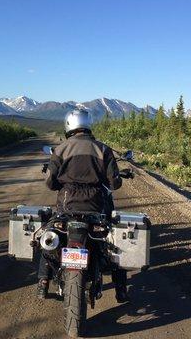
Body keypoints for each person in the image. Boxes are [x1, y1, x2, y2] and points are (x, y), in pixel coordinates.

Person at [38, 108, 131, 302]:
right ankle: (121, 289)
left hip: (67, 206)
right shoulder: (103, 149)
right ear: (87, 125)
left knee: (50, 235)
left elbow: (50, 183)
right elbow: (114, 183)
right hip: (97, 206)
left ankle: (43, 282)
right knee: (114, 242)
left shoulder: (60, 149)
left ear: (69, 125)